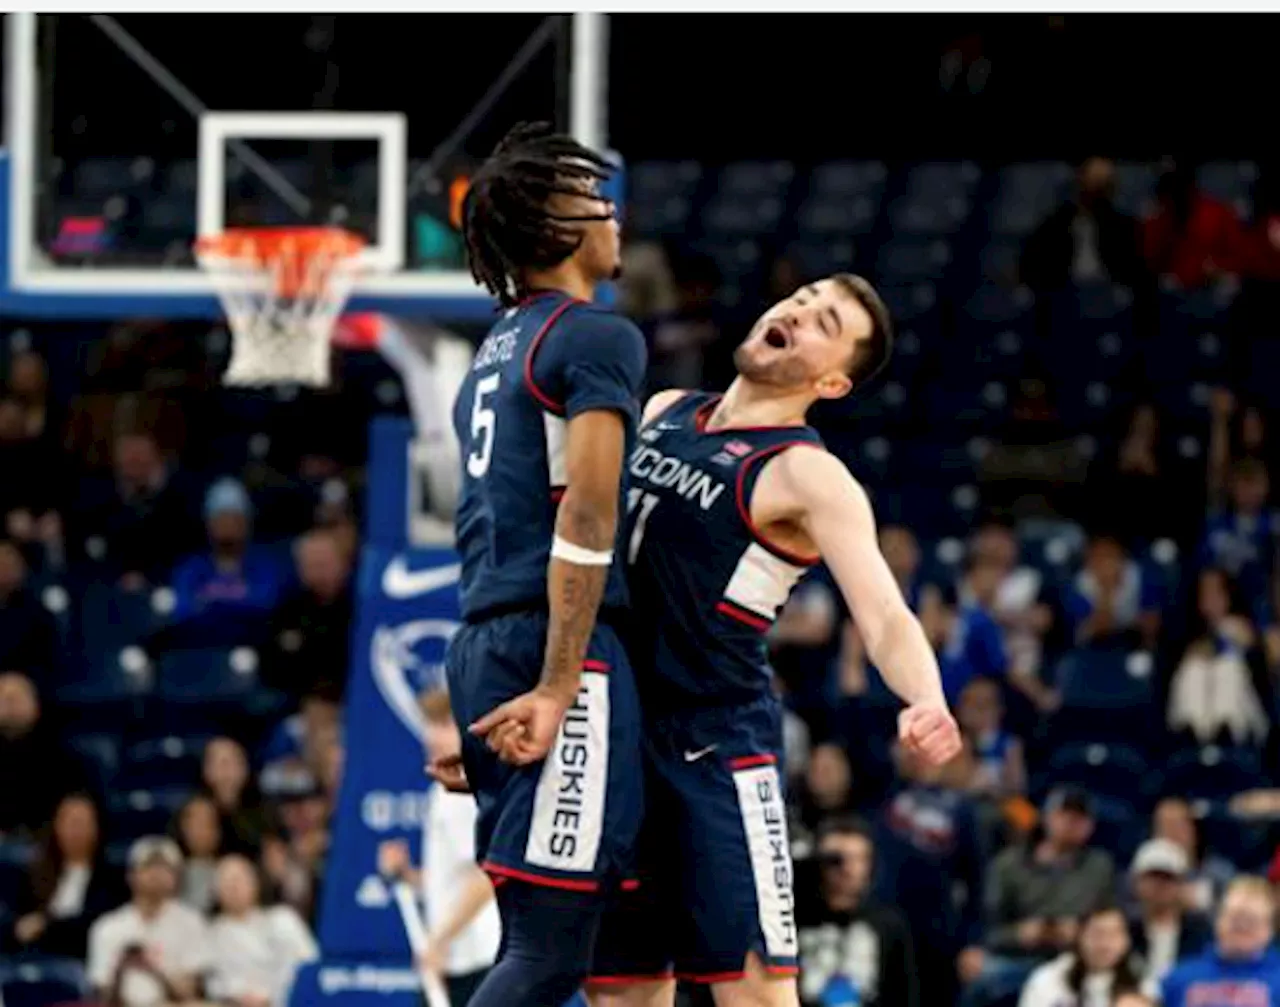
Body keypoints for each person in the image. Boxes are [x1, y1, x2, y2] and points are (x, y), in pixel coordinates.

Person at [474, 274, 962, 1007]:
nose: (797, 311)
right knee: (623, 990)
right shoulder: (666, 410)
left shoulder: (808, 473)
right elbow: (582, 564)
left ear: (832, 381)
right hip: (619, 730)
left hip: (715, 747)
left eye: (823, 320)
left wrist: (925, 695)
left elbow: (885, 612)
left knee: (757, 993)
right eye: (802, 297)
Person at [432, 121, 647, 1007]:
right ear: (560, 225)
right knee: (549, 955)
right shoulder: (595, 337)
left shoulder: (491, 355)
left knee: (599, 948)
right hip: (558, 646)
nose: (615, 214)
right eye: (598, 200)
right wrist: (560, 682)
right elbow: (586, 514)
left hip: (490, 641)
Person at [379, 686, 501, 1006]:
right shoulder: (448, 788)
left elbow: (487, 876)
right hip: (459, 962)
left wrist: (438, 941)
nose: (432, 736)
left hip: (474, 962)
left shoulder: (462, 792)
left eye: (445, 725)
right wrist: (408, 875)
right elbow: (456, 879)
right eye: (430, 724)